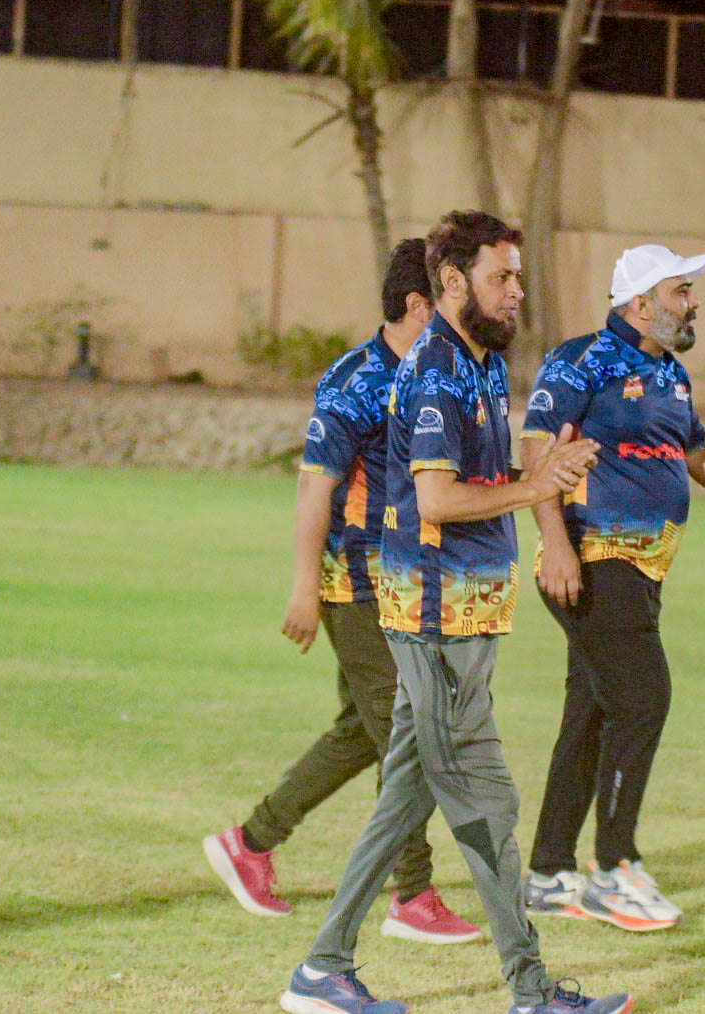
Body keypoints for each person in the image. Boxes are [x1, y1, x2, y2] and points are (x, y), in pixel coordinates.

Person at [280, 210, 632, 1014]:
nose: (517, 291)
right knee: (487, 806)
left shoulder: (481, 365)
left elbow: (477, 479)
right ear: (450, 281)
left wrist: (539, 470)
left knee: (404, 797)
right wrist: (536, 487)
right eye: (501, 276)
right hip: (433, 622)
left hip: (465, 620)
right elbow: (437, 499)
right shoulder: (436, 371)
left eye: (518, 277)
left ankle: (322, 970)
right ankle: (532, 992)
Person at [203, 238, 482, 944]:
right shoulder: (355, 379)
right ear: (419, 304)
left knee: (365, 729)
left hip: (412, 583)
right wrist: (305, 588)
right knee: (411, 733)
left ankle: (251, 843)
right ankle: (412, 895)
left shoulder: (440, 374)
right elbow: (314, 488)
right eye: (453, 296)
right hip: (355, 584)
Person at [519, 244, 705, 931]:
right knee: (643, 699)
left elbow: (697, 452)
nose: (693, 302)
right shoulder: (580, 361)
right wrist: (556, 544)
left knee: (592, 712)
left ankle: (549, 873)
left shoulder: (670, 373)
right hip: (592, 557)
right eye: (681, 291)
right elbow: (536, 452)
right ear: (640, 304)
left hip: (642, 569)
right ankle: (614, 870)